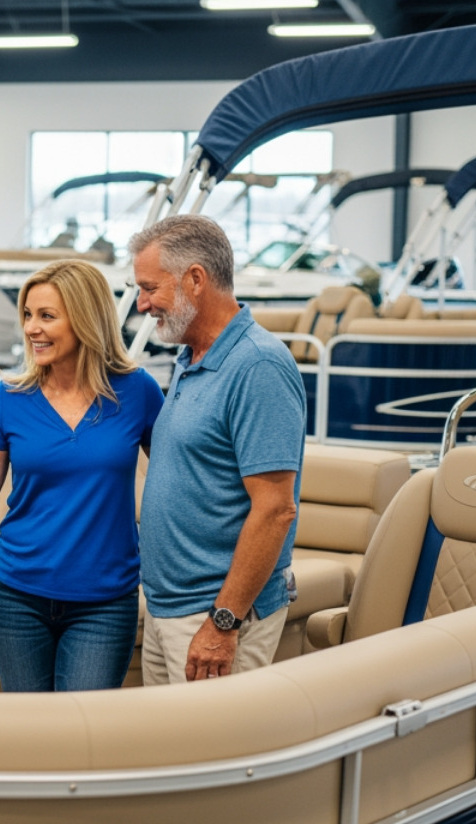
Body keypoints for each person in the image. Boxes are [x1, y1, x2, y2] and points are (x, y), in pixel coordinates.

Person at [0, 259, 163, 691]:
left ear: (86, 319)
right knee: (30, 738)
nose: (32, 328)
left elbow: (176, 478)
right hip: (17, 597)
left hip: (104, 602)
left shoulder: (137, 391)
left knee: (83, 737)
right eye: (27, 315)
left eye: (47, 316)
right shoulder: (9, 397)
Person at [127, 215, 304, 686]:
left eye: (149, 288)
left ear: (196, 279)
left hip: (214, 616)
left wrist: (223, 621)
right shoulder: (191, 358)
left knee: (208, 755)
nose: (142, 304)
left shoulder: (258, 364)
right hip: (170, 607)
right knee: (166, 757)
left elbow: (275, 510)